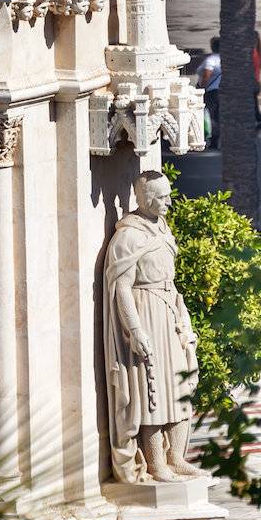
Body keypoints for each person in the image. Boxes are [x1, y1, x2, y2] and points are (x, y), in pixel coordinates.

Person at [104, 170, 200, 483]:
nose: (169, 202)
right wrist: (135, 330)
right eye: (162, 197)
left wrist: (183, 318)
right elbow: (121, 288)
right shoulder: (128, 235)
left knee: (180, 385)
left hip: (168, 309)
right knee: (152, 390)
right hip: (146, 314)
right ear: (145, 198)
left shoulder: (160, 226)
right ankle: (156, 463)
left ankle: (177, 457)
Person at [198, 35, 221, 150]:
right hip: (224, 91)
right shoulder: (226, 58)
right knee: (219, 116)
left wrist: (202, 88)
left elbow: (206, 76)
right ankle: (219, 140)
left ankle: (214, 141)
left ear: (212, 47)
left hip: (212, 92)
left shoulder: (211, 60)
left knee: (211, 116)